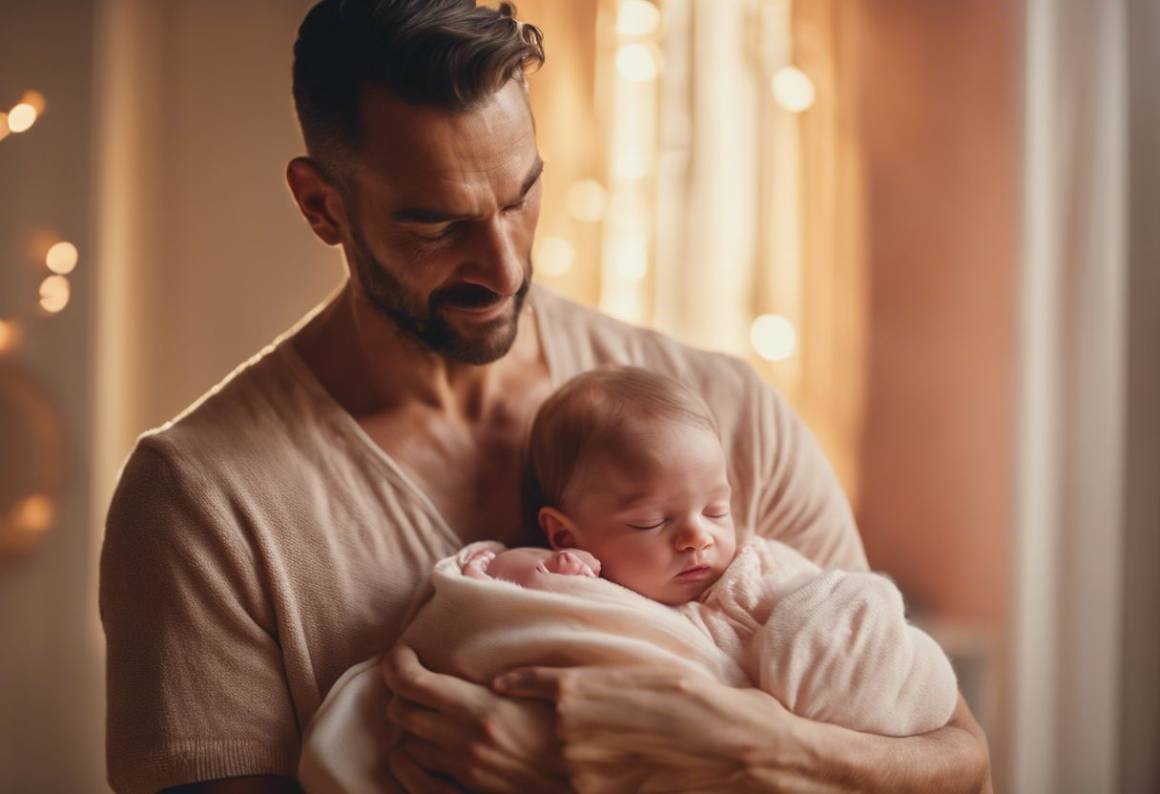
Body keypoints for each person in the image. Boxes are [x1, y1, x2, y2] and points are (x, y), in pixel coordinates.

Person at [99, 1, 992, 792]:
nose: (505, 264)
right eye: (437, 222)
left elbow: (959, 763)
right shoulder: (202, 501)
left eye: (521, 198)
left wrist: (738, 754)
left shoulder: (727, 415)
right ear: (321, 205)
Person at [299, 368, 960, 793]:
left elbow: (947, 743)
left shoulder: (755, 575)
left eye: (717, 509)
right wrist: (528, 570)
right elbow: (487, 595)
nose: (698, 536)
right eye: (651, 522)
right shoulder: (558, 577)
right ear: (563, 535)